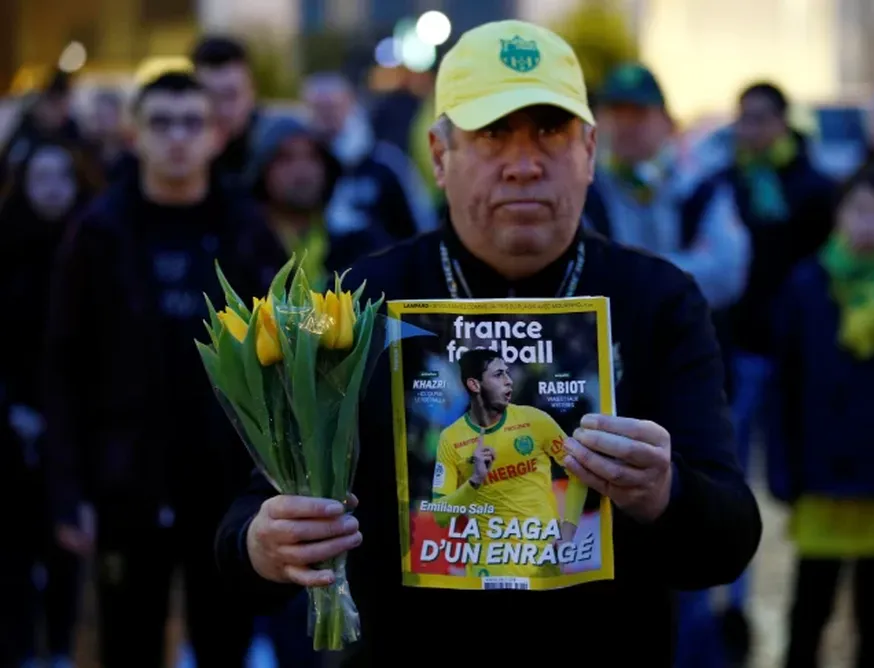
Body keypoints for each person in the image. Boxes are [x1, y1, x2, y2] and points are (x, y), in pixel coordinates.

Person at [216, 20, 761, 666]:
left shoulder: (659, 301)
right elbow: (249, 524)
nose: (524, 164)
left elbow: (729, 538)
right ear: (440, 156)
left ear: (589, 151)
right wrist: (263, 544)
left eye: (550, 132)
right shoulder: (357, 301)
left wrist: (664, 493)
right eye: (493, 133)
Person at [43, 69, 284, 668]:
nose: (177, 137)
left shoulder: (247, 229)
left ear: (217, 134)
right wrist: (67, 490)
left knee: (225, 641)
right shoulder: (98, 232)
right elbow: (62, 365)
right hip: (125, 480)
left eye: (191, 122)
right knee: (128, 641)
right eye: (162, 123)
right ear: (134, 135)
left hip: (228, 484)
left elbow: (289, 355)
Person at [767, 162, 874, 668]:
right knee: (810, 604)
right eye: (859, 210)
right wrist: (783, 466)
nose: (870, 223)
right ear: (838, 216)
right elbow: (786, 384)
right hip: (821, 476)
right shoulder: (806, 284)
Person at [0, 140, 103, 668]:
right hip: (12, 423)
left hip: (75, 425)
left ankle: (62, 647)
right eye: (40, 177)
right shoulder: (9, 245)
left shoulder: (91, 243)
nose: (52, 188)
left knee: (66, 541)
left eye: (62, 176)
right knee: (13, 549)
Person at [584, 62, 749, 311]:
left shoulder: (701, 188)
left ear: (667, 122)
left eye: (639, 113)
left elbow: (726, 276)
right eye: (616, 112)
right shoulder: (585, 190)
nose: (626, 125)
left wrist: (629, 277)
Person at [431, 349, 586, 577]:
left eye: (508, 373)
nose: (509, 381)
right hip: (486, 571)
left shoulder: (535, 420)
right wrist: (475, 481)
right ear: (474, 385)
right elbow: (441, 516)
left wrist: (567, 533)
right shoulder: (450, 438)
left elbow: (578, 472)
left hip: (543, 568)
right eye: (499, 375)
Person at [245, 113, 391, 288]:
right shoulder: (239, 245)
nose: (302, 170)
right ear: (262, 171)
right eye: (285, 158)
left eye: (312, 157)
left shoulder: (358, 239)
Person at [302, 72, 438, 242]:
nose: (326, 116)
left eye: (332, 107)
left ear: (350, 105)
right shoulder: (301, 165)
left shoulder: (384, 161)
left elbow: (420, 219)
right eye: (318, 108)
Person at [192, 35, 260, 181]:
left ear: (252, 92)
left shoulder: (282, 149)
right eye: (210, 97)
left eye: (231, 96)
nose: (221, 110)